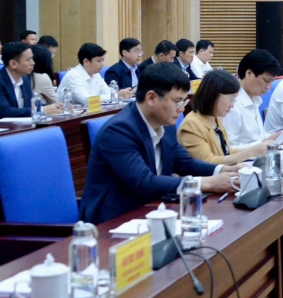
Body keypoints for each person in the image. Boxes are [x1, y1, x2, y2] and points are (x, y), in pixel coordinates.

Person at [80, 63, 240, 224]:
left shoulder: (165, 125)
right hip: (114, 221)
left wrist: (225, 169)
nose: (181, 109)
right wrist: (209, 183)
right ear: (151, 98)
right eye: (177, 102)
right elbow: (144, 182)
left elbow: (185, 163)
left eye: (184, 102)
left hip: (155, 210)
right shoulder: (118, 131)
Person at [178, 70, 272, 165]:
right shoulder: (191, 125)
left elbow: (226, 152)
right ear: (213, 96)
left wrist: (254, 151)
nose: (232, 105)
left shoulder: (216, 119)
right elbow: (207, 162)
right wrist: (250, 152)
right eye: (231, 99)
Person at [224, 50, 283, 149]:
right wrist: (263, 143)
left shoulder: (255, 98)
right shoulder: (232, 104)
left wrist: (276, 137)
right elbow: (228, 149)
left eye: (272, 81)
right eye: (267, 80)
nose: (269, 87)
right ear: (249, 74)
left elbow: (257, 138)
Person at [1, 43, 63, 117]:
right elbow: (4, 111)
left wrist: (54, 107)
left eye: (32, 58)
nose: (33, 63)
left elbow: (32, 106)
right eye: (28, 60)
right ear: (13, 64)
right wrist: (41, 110)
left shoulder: (24, 79)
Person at [58, 43, 124, 105]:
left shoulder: (95, 74)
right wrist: (116, 95)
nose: (102, 64)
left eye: (103, 60)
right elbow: (86, 100)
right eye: (99, 61)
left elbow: (108, 92)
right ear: (86, 61)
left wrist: (115, 95)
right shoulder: (73, 76)